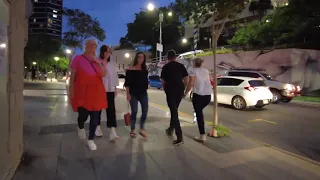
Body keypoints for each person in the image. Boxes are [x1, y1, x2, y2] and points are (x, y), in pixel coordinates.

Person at [68, 39, 107, 150]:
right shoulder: (78, 59)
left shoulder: (99, 60)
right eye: (90, 44)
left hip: (97, 93)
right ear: (85, 46)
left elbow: (103, 74)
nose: (92, 46)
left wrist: (98, 63)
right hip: (82, 92)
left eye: (94, 45)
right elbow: (73, 76)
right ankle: (80, 126)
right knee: (83, 116)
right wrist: (71, 90)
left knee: (95, 117)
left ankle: (90, 139)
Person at [161, 50, 189, 145]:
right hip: (179, 91)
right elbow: (186, 79)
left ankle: (179, 136)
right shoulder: (181, 66)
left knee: (174, 111)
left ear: (167, 58)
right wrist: (183, 89)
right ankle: (170, 129)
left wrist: (165, 89)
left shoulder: (165, 67)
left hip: (170, 90)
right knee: (174, 110)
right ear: (175, 57)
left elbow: (163, 81)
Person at [185, 58, 212, 143]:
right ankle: (202, 134)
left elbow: (191, 83)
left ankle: (202, 135)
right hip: (208, 95)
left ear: (194, 63)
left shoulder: (192, 70)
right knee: (199, 113)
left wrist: (185, 92)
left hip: (198, 95)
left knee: (199, 114)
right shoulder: (206, 70)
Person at [96, 45, 120, 141]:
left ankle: (112, 130)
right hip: (100, 89)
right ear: (102, 52)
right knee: (98, 109)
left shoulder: (112, 62)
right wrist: (104, 62)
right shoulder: (98, 61)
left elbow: (114, 75)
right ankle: (97, 127)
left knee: (111, 109)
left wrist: (115, 87)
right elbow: (99, 74)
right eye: (106, 51)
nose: (108, 53)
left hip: (110, 89)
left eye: (110, 51)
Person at [124, 52, 149, 139]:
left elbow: (145, 80)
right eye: (139, 57)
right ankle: (133, 129)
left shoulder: (145, 69)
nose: (140, 59)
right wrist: (128, 94)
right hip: (133, 93)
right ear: (136, 58)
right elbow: (127, 83)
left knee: (145, 111)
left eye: (142, 57)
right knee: (134, 111)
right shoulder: (130, 69)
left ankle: (141, 128)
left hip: (143, 93)